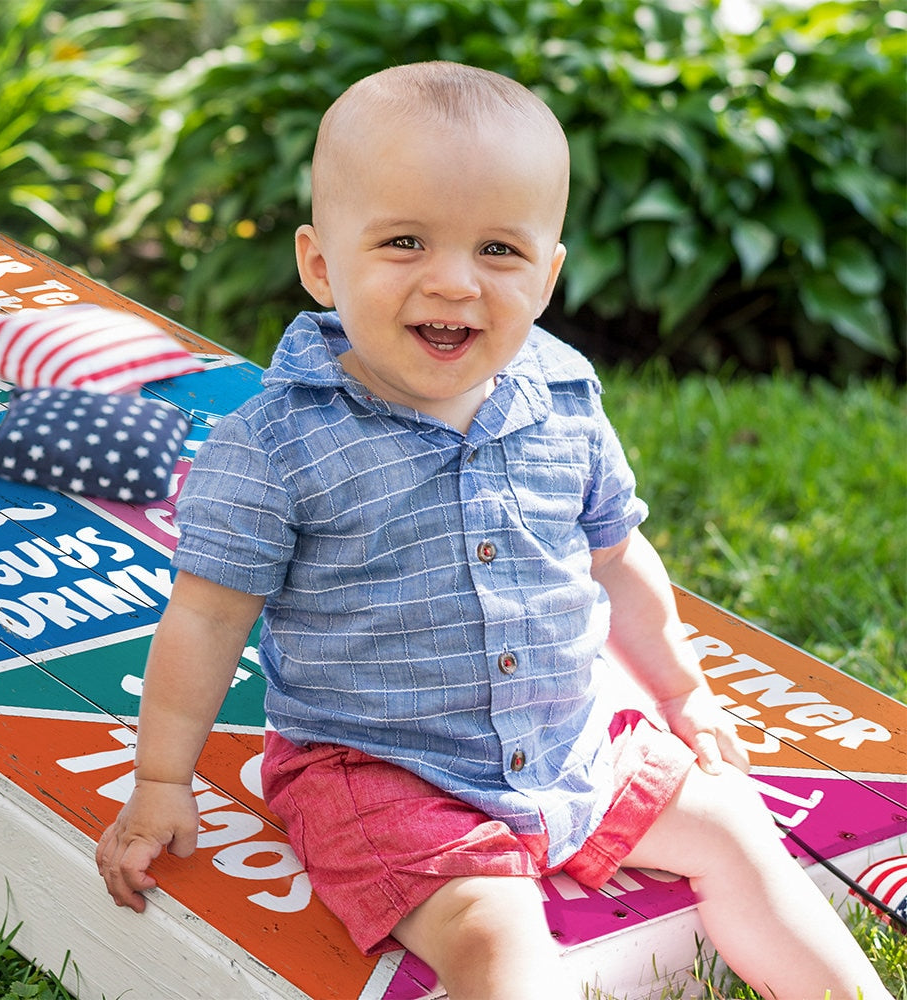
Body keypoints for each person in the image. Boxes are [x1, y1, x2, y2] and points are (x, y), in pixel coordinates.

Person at [96, 62, 890, 1000]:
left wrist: (681, 687)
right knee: (494, 935)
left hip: (569, 742)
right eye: (403, 240)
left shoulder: (564, 398)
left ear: (548, 275)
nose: (454, 281)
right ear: (320, 264)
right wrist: (159, 780)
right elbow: (206, 617)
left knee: (735, 830)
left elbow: (615, 553)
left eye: (500, 251)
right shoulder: (278, 445)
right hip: (383, 770)